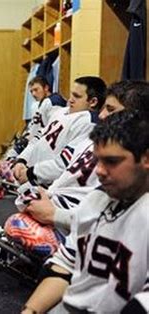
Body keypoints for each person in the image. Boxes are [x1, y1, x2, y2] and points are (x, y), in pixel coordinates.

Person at [22, 110, 149, 313]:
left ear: (145, 159)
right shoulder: (95, 201)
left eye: (112, 161)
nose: (99, 170)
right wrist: (30, 311)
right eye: (98, 160)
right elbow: (63, 268)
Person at [25, 80, 149, 232]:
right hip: (54, 208)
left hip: (72, 226)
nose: (102, 115)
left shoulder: (132, 166)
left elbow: (110, 222)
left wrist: (55, 215)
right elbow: (64, 174)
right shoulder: (92, 140)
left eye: (110, 109)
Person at [13, 76, 107, 187]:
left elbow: (64, 164)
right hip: (29, 177)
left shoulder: (89, 123)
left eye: (77, 96)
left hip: (46, 187)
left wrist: (31, 173)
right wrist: (22, 160)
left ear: (93, 102)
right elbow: (38, 138)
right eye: (71, 94)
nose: (70, 99)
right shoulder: (61, 111)